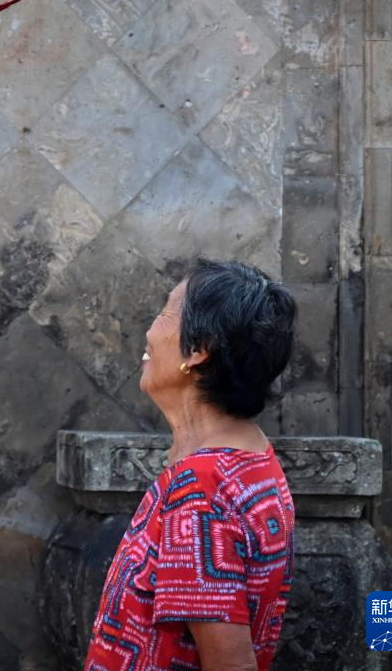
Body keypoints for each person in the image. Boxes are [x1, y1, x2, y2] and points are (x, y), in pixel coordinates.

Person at [85, 259, 298, 671]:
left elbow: (231, 665)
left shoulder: (202, 486)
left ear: (200, 349)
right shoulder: (250, 455)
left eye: (166, 312)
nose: (150, 332)